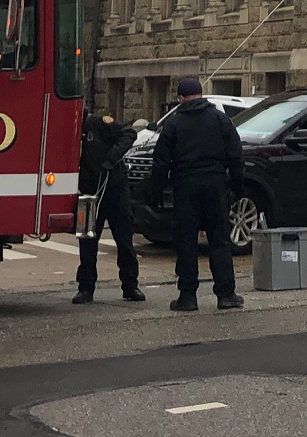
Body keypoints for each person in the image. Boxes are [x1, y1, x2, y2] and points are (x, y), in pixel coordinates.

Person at [147, 77, 245, 311]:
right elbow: (236, 155)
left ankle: (188, 296)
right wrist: (235, 188)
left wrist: (156, 192)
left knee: (186, 241)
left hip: (186, 187)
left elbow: (160, 162)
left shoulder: (173, 124)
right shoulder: (221, 120)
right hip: (215, 185)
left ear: (180, 98)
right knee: (220, 239)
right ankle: (226, 294)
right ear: (202, 95)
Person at [73, 111, 144, 304]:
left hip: (113, 188)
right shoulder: (67, 132)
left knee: (124, 239)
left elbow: (129, 133)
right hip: (87, 191)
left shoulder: (98, 123)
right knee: (87, 241)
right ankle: (85, 288)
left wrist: (111, 159)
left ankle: (130, 285)